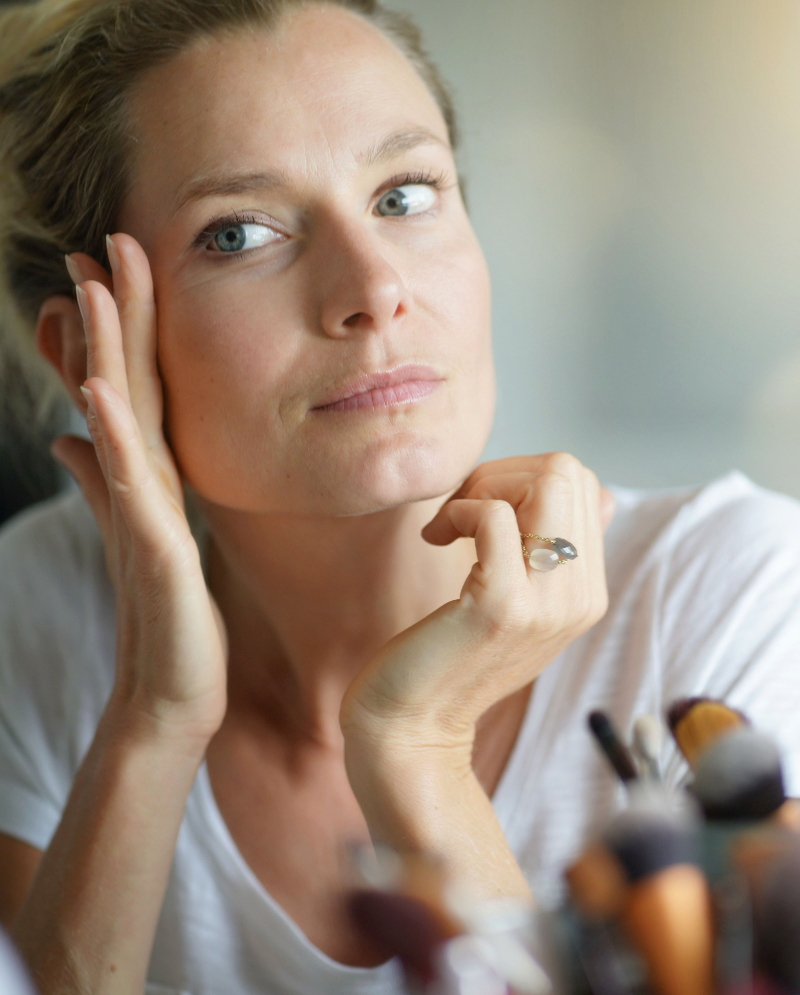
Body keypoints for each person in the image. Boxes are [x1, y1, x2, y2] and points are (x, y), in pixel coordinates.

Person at [0, 0, 798, 992]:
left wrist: (415, 743)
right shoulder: (35, 612)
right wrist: (153, 714)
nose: (373, 286)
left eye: (404, 195)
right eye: (239, 232)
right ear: (92, 351)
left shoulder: (728, 596)